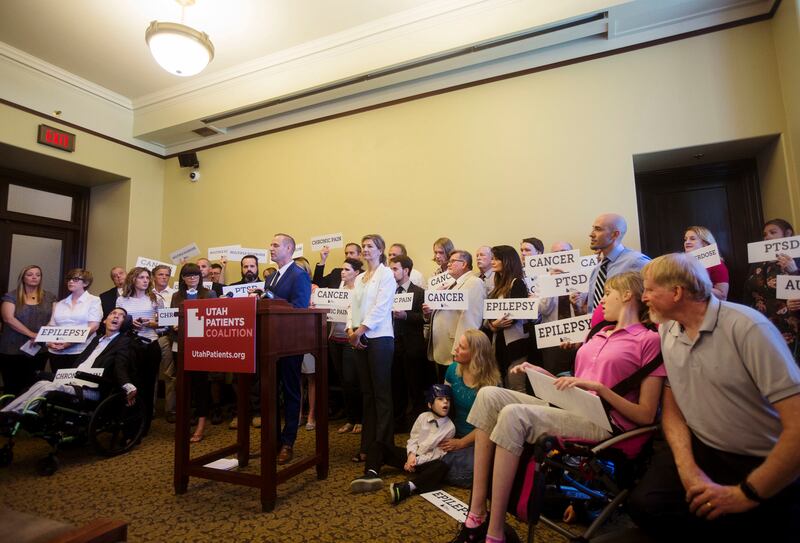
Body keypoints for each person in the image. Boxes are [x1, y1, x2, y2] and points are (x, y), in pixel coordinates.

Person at [452, 271, 665, 543]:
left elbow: (646, 414)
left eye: (607, 294)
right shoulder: (598, 333)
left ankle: (494, 535)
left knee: (513, 414)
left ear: (626, 296)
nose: (601, 301)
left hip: (606, 422)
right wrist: (539, 372)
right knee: (488, 396)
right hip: (573, 407)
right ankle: (477, 513)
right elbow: (575, 384)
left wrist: (601, 389)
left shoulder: (648, 340)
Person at [628, 253, 800, 541]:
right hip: (704, 447)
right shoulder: (668, 328)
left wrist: (747, 493)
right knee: (646, 506)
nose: (643, 297)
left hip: (760, 457)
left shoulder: (748, 328)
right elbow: (673, 407)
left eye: (649, 289)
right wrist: (687, 468)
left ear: (677, 292)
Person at [0, 308, 136, 420]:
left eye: (121, 316)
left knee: (47, 386)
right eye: (113, 313)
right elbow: (80, 362)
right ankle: (7, 412)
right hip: (74, 379)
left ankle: (16, 414)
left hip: (92, 387)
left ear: (124, 323)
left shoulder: (123, 342)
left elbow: (121, 366)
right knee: (40, 381)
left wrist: (128, 385)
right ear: (105, 320)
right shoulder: (97, 340)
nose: (116, 316)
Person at [349, 384, 455, 504]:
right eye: (440, 399)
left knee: (441, 466)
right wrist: (411, 456)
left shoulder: (450, 427)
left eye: (448, 399)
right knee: (378, 445)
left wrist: (416, 462)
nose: (445, 402)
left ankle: (407, 488)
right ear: (430, 404)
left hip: (425, 462)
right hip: (411, 456)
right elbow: (413, 439)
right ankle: (371, 474)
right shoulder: (422, 417)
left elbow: (436, 454)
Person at [346, 234, 395, 463]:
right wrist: (350, 330)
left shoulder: (387, 275)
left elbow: (381, 308)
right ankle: (366, 446)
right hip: (359, 337)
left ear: (380, 250)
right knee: (367, 394)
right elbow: (351, 307)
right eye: (363, 246)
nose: (365, 250)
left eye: (370, 246)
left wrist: (359, 331)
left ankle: (382, 449)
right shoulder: (360, 278)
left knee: (381, 394)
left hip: (379, 338)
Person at [265, 233, 312, 464]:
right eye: (271, 245)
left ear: (289, 249)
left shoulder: (299, 275)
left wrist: (272, 299)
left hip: (291, 343)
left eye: (275, 245)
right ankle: (272, 440)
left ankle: (288, 442)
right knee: (271, 391)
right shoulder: (271, 277)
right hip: (271, 343)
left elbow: (299, 308)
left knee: (292, 391)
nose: (271, 248)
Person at [441, 329, 502, 488]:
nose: (455, 349)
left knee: (468, 472)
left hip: (478, 441)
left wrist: (461, 443)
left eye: (461, 347)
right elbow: (443, 405)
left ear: (475, 354)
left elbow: (489, 426)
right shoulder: (452, 370)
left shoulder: (492, 384)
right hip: (453, 432)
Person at [171, 263, 217, 443]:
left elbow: (214, 319)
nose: (192, 278)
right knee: (183, 385)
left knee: (200, 385)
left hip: (200, 345)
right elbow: (172, 317)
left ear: (200, 277)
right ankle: (184, 422)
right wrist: (174, 325)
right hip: (180, 344)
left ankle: (201, 424)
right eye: (188, 275)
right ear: (182, 278)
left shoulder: (209, 294)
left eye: (195, 274)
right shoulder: (176, 296)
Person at [744, 218, 800, 365]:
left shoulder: (797, 258)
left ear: (787, 234)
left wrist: (794, 271)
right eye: (765, 234)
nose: (767, 237)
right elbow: (748, 292)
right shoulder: (757, 261)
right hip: (762, 324)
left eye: (773, 232)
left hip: (789, 325)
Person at [572, 213, 650, 317]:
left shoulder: (636, 262)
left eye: (598, 229)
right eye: (593, 229)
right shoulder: (597, 270)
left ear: (615, 234)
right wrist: (577, 307)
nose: (591, 234)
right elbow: (593, 311)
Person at [425, 250, 486, 382]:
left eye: (452, 261)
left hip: (455, 348)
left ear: (463, 264)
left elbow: (471, 319)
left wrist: (461, 348)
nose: (448, 264)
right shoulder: (451, 284)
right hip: (443, 347)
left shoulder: (474, 282)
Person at [116, 267, 163, 437]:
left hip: (151, 344)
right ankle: (131, 422)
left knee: (149, 385)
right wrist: (131, 323)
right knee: (132, 384)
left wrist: (151, 323)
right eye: (141, 277)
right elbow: (117, 323)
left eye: (147, 278)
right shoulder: (122, 300)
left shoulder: (155, 298)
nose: (145, 280)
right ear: (133, 279)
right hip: (130, 345)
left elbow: (164, 324)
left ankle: (145, 424)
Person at [389, 255, 432, 429]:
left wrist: (405, 316)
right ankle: (398, 422)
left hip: (413, 346)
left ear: (406, 270)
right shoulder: (388, 291)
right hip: (393, 345)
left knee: (415, 387)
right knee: (396, 385)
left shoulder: (419, 292)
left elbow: (424, 318)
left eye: (395, 269)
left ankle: (417, 424)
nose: (391, 272)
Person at [0, 265, 57, 395]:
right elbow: (8, 319)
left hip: (38, 348)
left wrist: (40, 336)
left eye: (38, 275)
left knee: (33, 387)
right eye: (30, 274)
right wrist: (32, 334)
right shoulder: (11, 296)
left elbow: (54, 319)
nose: (34, 277)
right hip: (12, 349)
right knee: (13, 387)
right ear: (23, 278)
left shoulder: (49, 297)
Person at [483, 245, 530, 392]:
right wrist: (493, 324)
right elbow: (489, 315)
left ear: (508, 261)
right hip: (499, 341)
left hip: (516, 343)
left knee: (516, 385)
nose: (492, 262)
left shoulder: (517, 283)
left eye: (497, 259)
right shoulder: (498, 285)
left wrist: (496, 324)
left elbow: (515, 314)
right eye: (492, 258)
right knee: (503, 385)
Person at [330, 258, 363, 435]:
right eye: (342, 269)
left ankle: (360, 419)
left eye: (347, 270)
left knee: (352, 380)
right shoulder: (339, 290)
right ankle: (350, 419)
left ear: (356, 273)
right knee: (343, 381)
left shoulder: (359, 291)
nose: (343, 272)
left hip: (351, 339)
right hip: (335, 339)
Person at [46, 269, 102, 373]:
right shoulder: (60, 303)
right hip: (56, 352)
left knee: (76, 382)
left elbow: (94, 326)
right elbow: (52, 325)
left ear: (85, 283)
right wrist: (49, 342)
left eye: (75, 279)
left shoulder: (94, 300)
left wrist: (70, 343)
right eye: (69, 279)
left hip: (81, 351)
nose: (70, 281)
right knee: (56, 382)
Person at [537, 242, 579, 377]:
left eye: (564, 252)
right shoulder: (543, 279)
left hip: (577, 335)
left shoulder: (582, 276)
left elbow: (586, 307)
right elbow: (543, 309)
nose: (560, 256)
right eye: (556, 254)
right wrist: (550, 283)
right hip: (552, 336)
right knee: (553, 376)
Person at [151, 264, 177, 421]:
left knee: (170, 373)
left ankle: (171, 410)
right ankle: (150, 409)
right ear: (154, 276)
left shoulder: (174, 294)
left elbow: (176, 316)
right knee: (150, 373)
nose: (164, 277)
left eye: (167, 275)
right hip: (149, 336)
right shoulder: (146, 294)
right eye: (160, 274)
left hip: (167, 336)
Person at [683, 226, 729, 300]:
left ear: (705, 243)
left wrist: (697, 286)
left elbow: (722, 296)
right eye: (685, 239)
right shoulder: (682, 264)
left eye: (692, 239)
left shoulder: (716, 264)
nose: (687, 242)